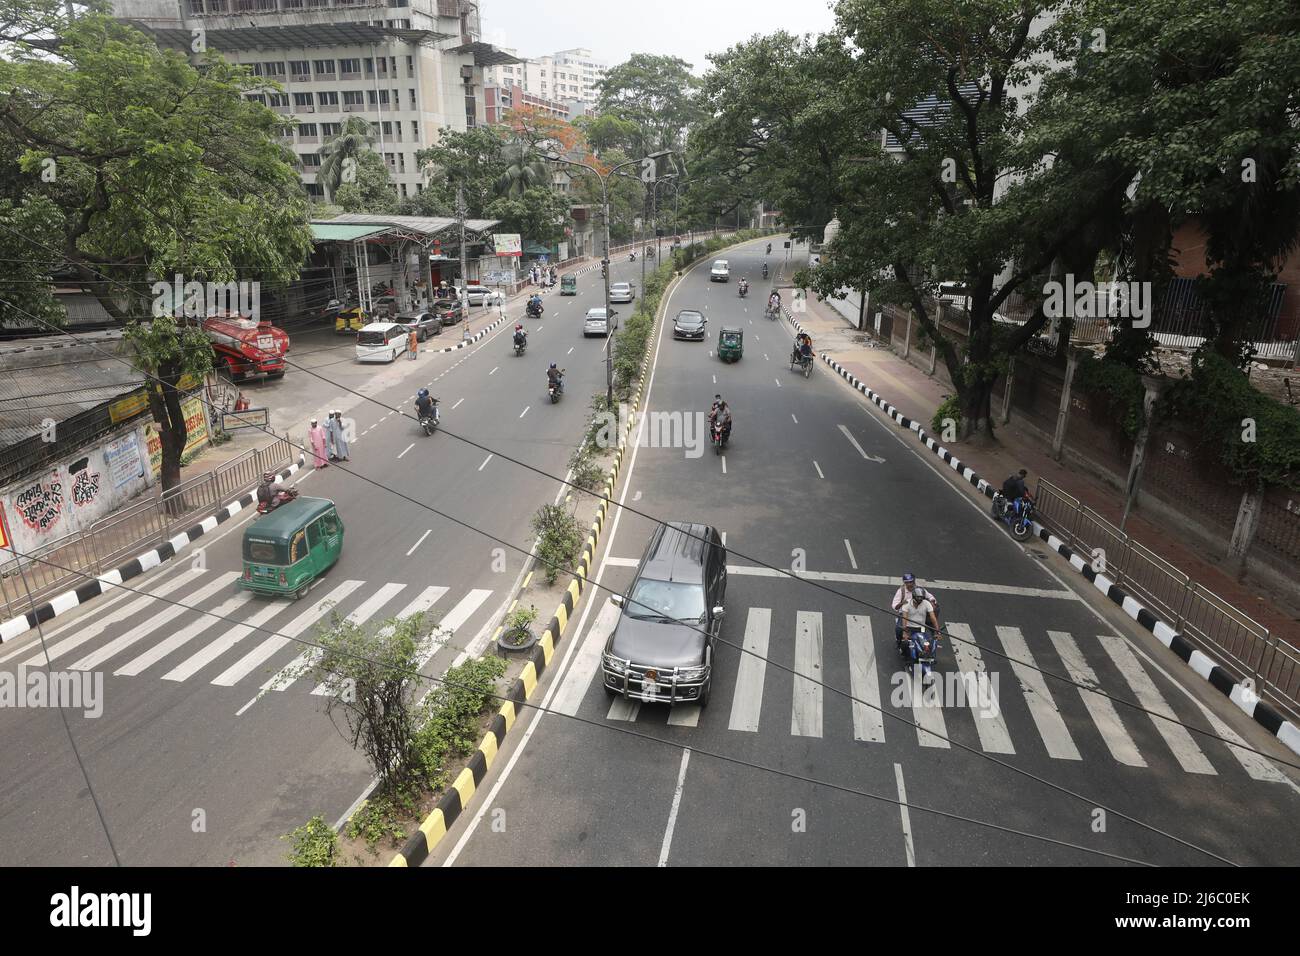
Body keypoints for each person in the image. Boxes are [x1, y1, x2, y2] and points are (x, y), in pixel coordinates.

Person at [899, 587, 941, 679]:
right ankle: (908, 660)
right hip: (909, 628)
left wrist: (937, 632)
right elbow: (905, 619)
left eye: (921, 598)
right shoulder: (907, 604)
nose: (920, 600)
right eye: (918, 598)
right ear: (914, 597)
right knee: (906, 644)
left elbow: (933, 618)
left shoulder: (926, 604)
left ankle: (929, 657)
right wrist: (905, 632)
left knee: (928, 642)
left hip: (921, 628)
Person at [892, 573, 940, 647]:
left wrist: (932, 602)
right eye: (907, 582)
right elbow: (895, 606)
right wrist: (902, 603)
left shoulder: (921, 590)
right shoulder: (901, 591)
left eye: (911, 582)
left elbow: (930, 596)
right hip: (905, 613)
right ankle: (899, 642)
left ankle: (934, 640)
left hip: (920, 612)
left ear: (914, 581)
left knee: (932, 626)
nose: (909, 584)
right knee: (899, 629)